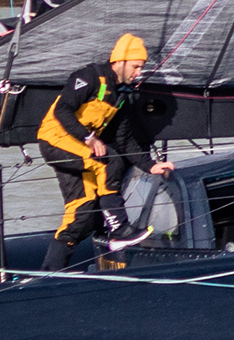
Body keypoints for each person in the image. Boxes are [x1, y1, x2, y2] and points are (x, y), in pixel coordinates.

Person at [35, 31, 172, 271]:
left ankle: (48, 275)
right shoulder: (89, 77)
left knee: (82, 216)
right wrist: (88, 138)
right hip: (54, 139)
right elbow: (63, 110)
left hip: (79, 149)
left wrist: (151, 166)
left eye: (141, 68)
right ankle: (119, 230)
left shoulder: (120, 97)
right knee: (108, 161)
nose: (138, 72)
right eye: (136, 66)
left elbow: (125, 140)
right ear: (120, 61)